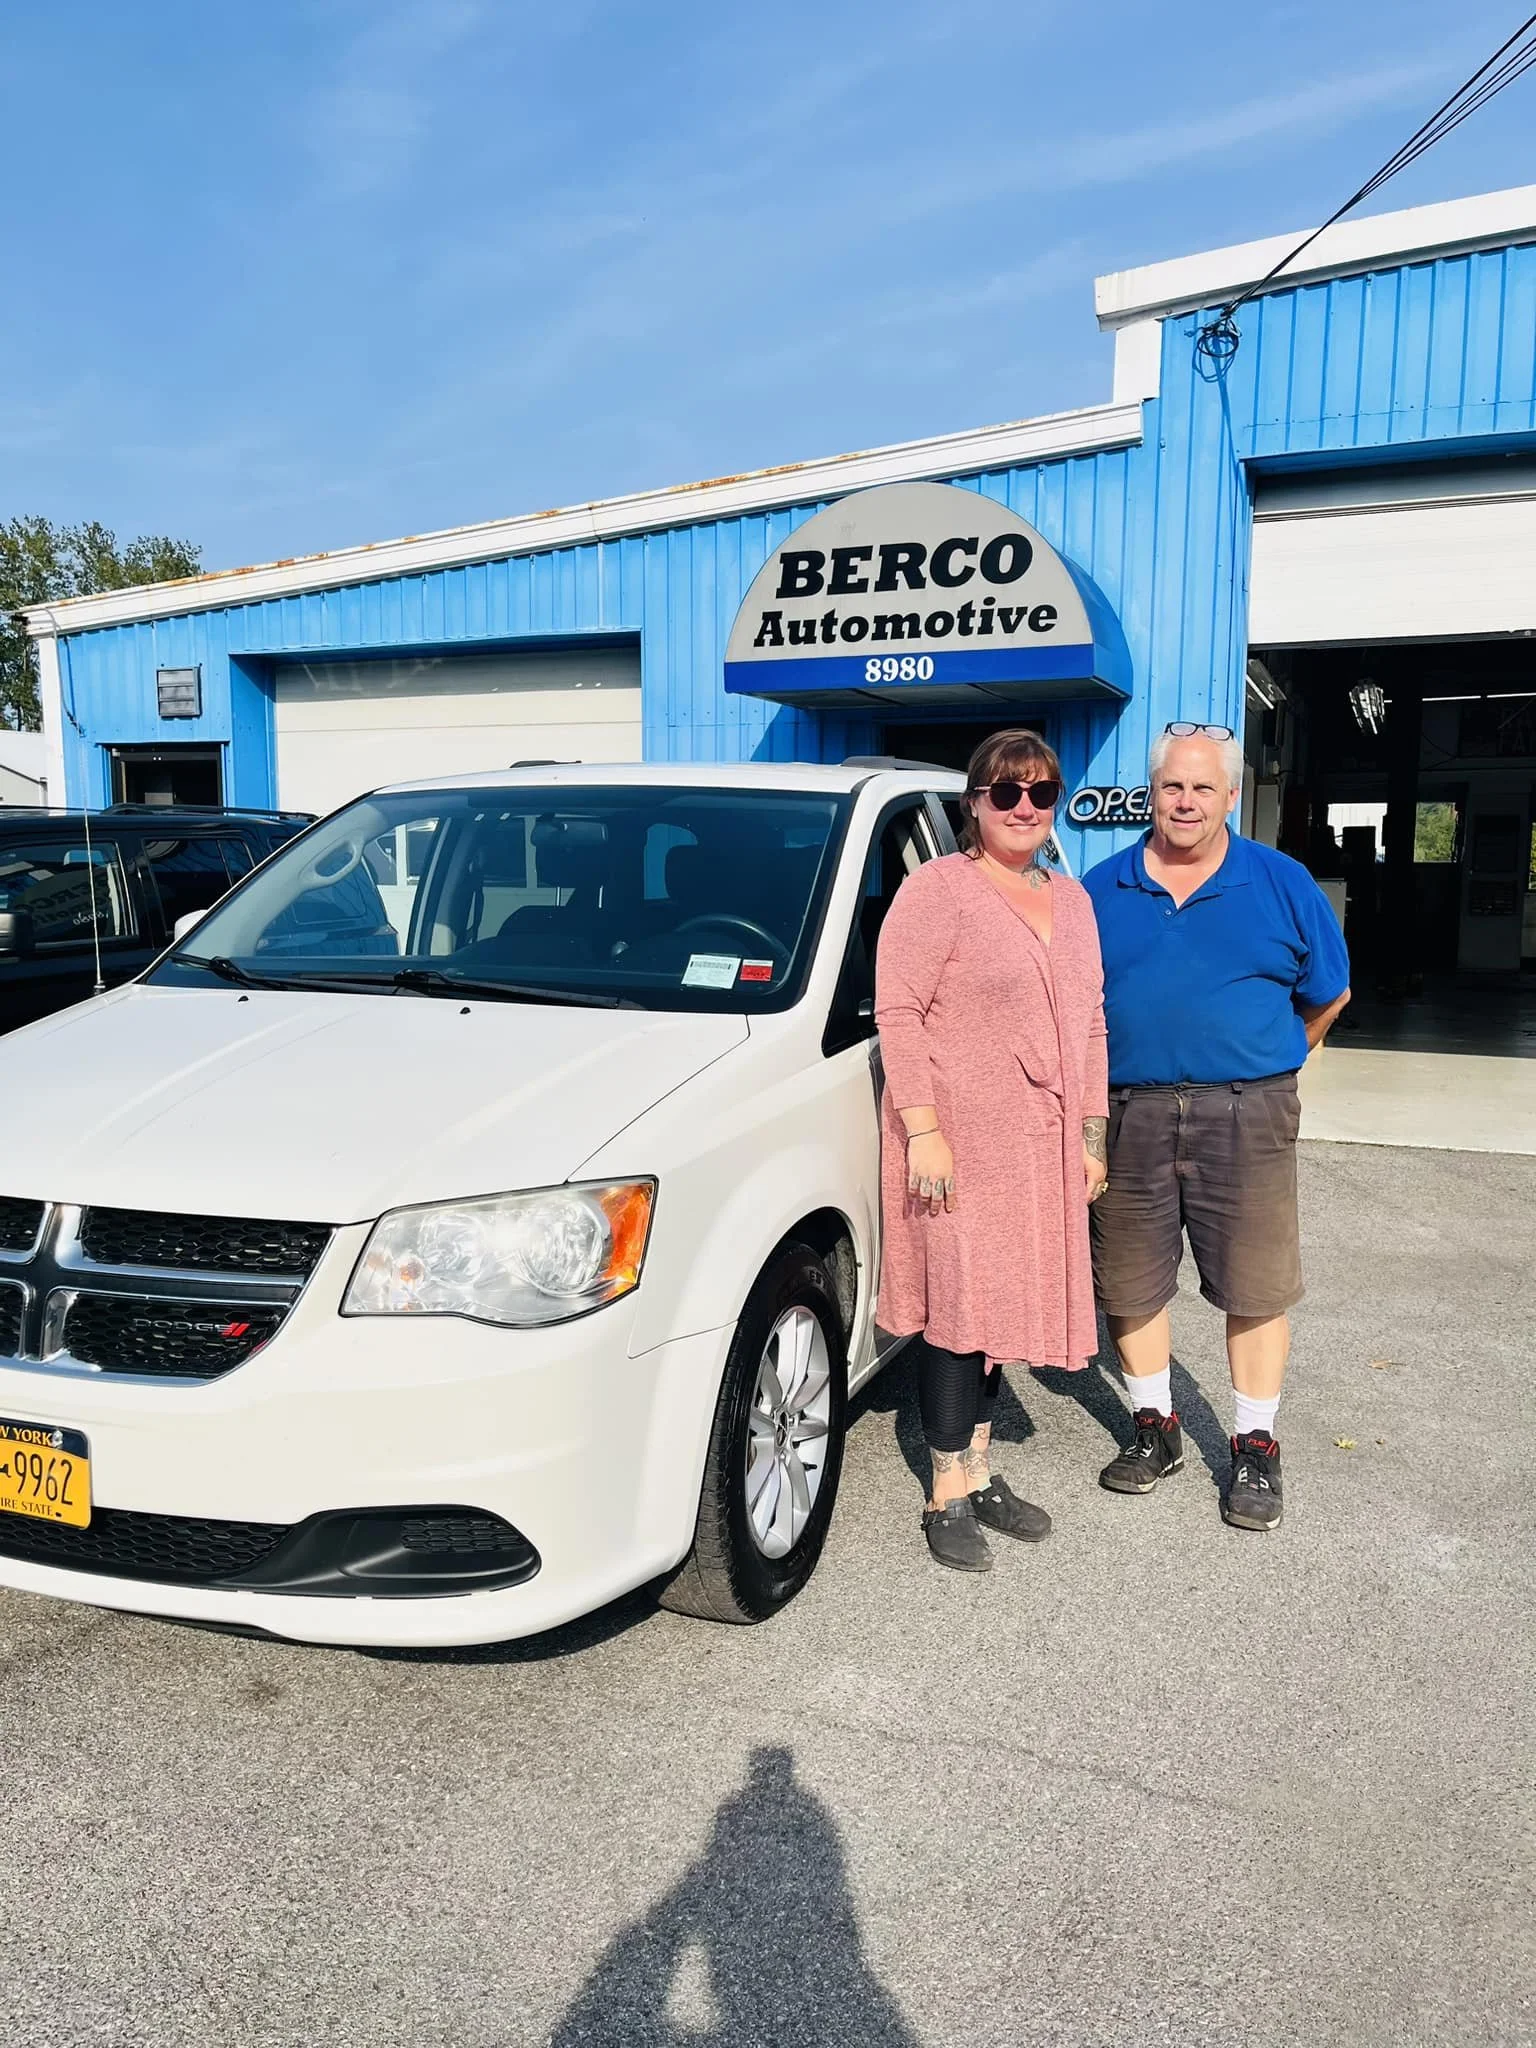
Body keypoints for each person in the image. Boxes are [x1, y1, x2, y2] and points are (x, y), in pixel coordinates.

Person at [1082, 723, 1351, 1532]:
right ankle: (1155, 1427)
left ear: (1231, 796)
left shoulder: (1282, 881)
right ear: (1150, 795)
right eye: (1172, 787)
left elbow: (1329, 993)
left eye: (1204, 788)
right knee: (1128, 1279)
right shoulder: (1100, 890)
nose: (1187, 802)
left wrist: (1269, 1067)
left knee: (1256, 1284)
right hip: (1129, 1109)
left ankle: (1255, 1445)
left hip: (1249, 1107)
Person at [875, 730, 1110, 1573]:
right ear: (973, 803)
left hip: (1040, 1146)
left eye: (1040, 794)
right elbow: (897, 1010)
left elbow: (1089, 1021)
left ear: (1054, 807)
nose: (1022, 808)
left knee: (1004, 1306)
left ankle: (980, 1468)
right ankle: (945, 1491)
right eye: (1004, 793)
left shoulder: (1072, 901)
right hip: (959, 1141)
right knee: (958, 1314)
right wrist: (923, 1127)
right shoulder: (941, 891)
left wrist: (1090, 1136)